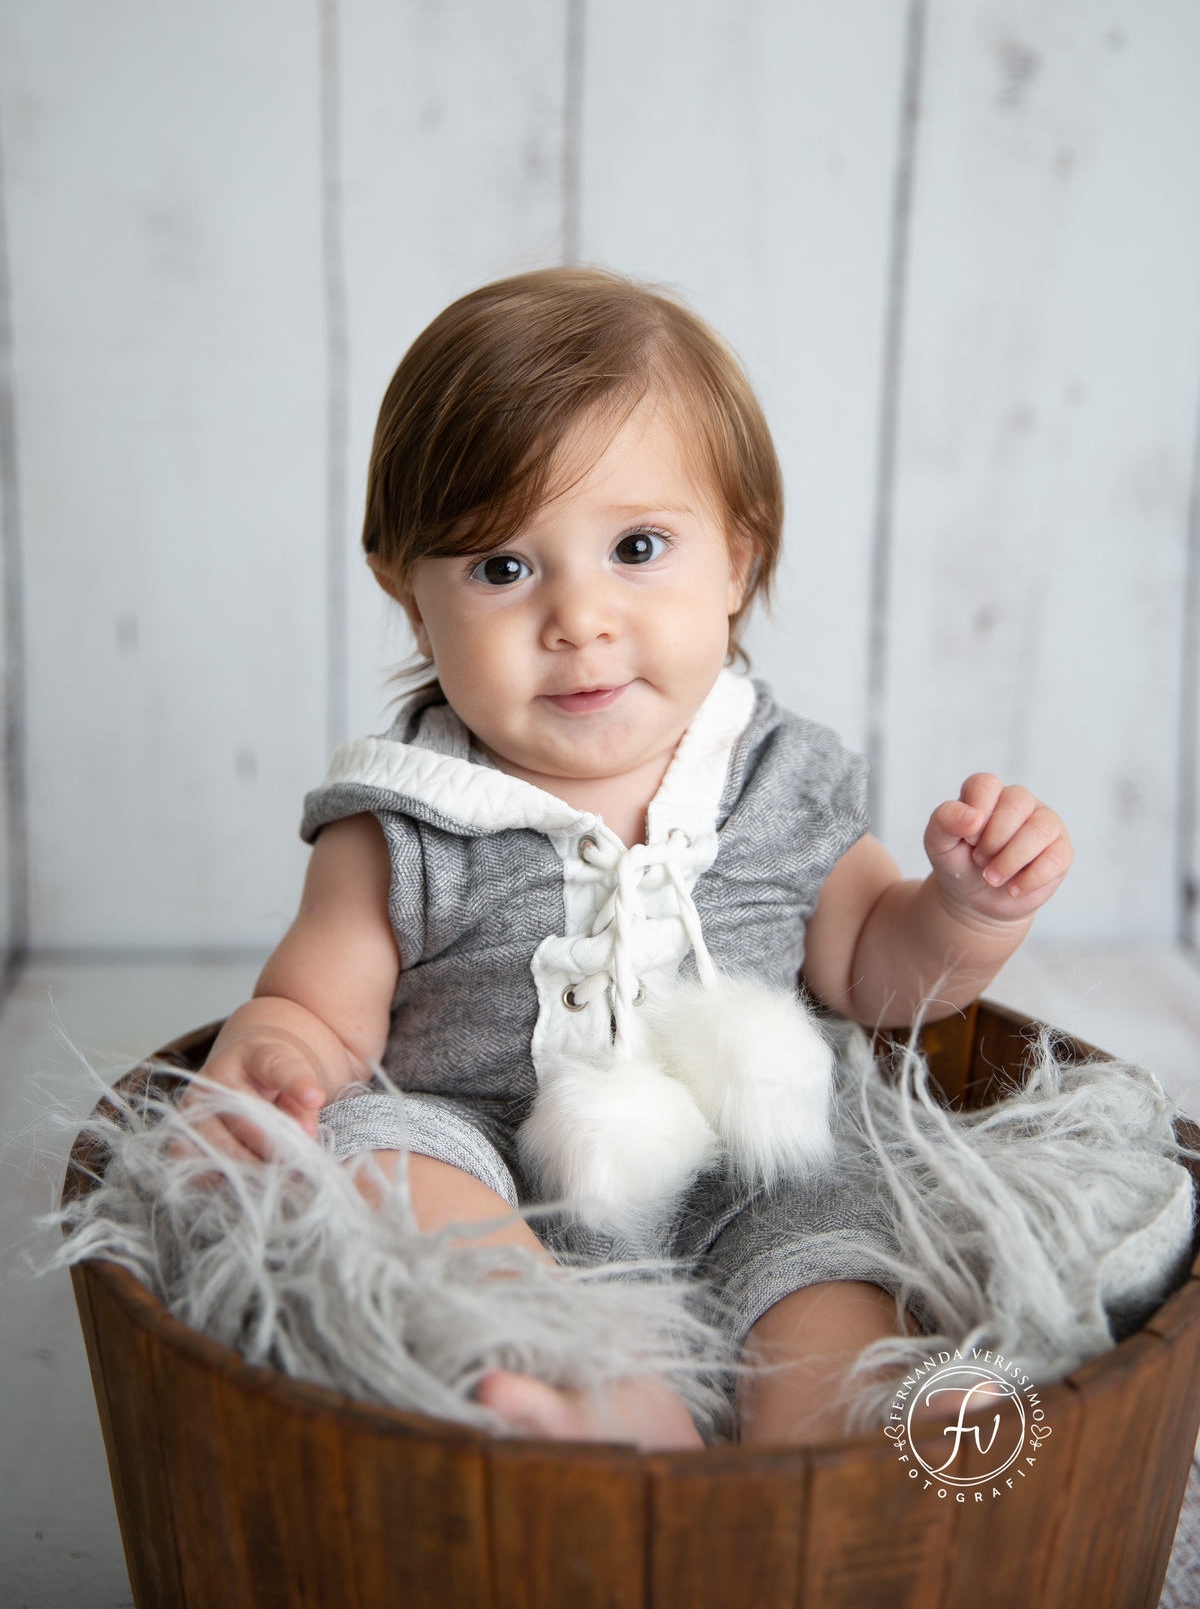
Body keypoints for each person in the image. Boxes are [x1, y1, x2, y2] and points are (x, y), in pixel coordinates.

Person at [186, 269, 1072, 1451]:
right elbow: (315, 1011)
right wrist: (277, 1058)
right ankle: (589, 1385)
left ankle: (844, 1427)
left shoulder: (776, 776)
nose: (579, 619)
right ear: (408, 595)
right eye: (502, 568)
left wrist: (969, 909)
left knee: (829, 1241)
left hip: (751, 1161)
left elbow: (877, 971)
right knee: (378, 1155)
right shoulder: (397, 820)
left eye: (637, 547)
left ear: (738, 561)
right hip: (495, 1163)